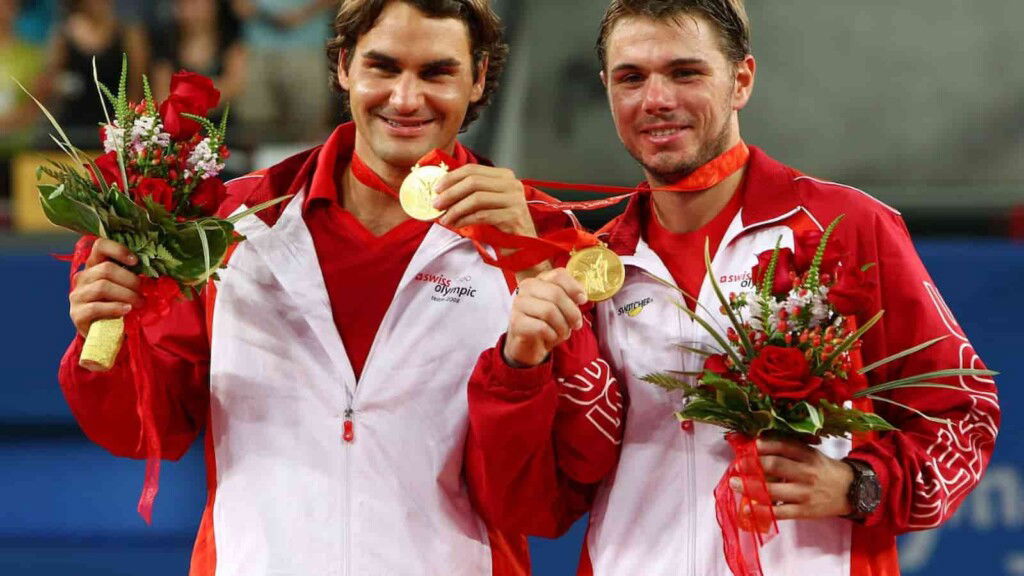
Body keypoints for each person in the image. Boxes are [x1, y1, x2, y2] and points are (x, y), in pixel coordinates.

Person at [57, 1, 619, 574]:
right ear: (346, 65)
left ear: (477, 79)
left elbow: (554, 496)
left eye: (436, 72)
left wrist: (526, 262)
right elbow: (148, 429)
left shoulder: (542, 239)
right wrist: (107, 338)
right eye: (383, 67)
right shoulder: (231, 225)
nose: (405, 98)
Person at [468, 1, 1001, 574]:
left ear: (741, 80)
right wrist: (519, 367)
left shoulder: (843, 228)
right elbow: (547, 499)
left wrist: (859, 484)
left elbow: (963, 412)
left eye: (685, 72)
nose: (656, 100)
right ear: (607, 90)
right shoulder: (592, 269)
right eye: (631, 78)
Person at [152, 0, 246, 106]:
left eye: (194, 3)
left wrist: (183, 95)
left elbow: (234, 86)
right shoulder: (165, 43)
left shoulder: (231, 39)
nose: (187, 10)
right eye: (181, 3)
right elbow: (162, 97)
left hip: (228, 120)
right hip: (179, 121)